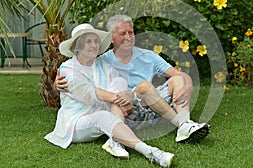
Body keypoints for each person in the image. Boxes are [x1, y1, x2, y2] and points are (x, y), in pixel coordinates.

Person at [55, 14, 210, 143]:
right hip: (127, 109)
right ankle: (181, 124)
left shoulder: (148, 56)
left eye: (131, 32)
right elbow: (82, 79)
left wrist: (184, 85)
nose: (128, 37)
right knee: (144, 87)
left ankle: (185, 125)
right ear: (112, 38)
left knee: (179, 79)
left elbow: (179, 75)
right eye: (123, 33)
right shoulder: (102, 61)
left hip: (154, 103)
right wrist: (57, 84)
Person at [45, 23, 174, 168]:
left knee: (119, 81)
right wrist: (120, 99)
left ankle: (115, 141)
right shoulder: (68, 68)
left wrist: (128, 97)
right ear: (78, 46)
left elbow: (120, 87)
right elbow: (89, 93)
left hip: (103, 112)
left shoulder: (102, 65)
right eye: (88, 41)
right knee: (104, 115)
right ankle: (151, 152)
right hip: (77, 121)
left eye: (96, 41)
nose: (94, 45)